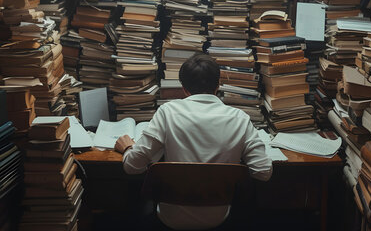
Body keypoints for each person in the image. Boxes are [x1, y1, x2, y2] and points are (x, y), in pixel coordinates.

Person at [114, 53, 272, 230]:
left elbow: (132, 167)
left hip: (169, 219)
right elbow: (263, 172)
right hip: (219, 219)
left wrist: (128, 147)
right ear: (218, 84)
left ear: (184, 88)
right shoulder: (239, 119)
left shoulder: (168, 113)